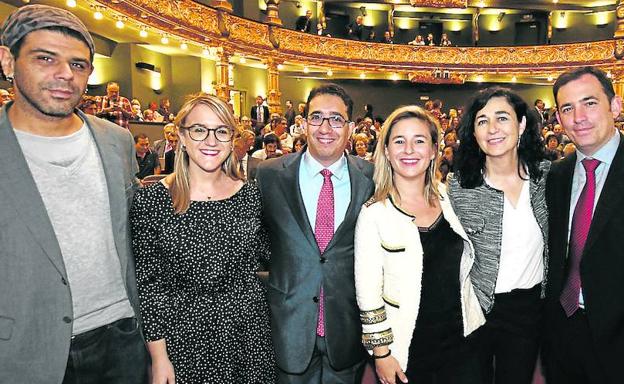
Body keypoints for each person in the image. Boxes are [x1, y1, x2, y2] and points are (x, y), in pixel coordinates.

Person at [0, 5, 148, 383]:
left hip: (123, 340)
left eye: (78, 65)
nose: (65, 74)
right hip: (26, 348)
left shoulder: (116, 141)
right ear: (8, 61)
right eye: (45, 58)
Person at [130, 93, 275, 383]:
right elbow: (149, 287)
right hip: (183, 340)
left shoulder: (251, 195)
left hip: (248, 336)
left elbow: (272, 255)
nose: (211, 141)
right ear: (181, 135)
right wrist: (158, 359)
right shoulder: (152, 201)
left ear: (232, 138)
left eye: (221, 131)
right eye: (199, 130)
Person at [355, 105, 484, 384]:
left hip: (464, 343)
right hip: (407, 350)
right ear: (387, 151)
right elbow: (368, 297)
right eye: (399, 141)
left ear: (434, 150)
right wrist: (382, 354)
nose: (409, 150)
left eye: (420, 140)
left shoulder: (451, 198)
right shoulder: (373, 214)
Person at [256, 84, 374, 382]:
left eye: (336, 119)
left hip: (347, 331)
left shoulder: (371, 178)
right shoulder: (269, 175)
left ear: (349, 128)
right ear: (304, 123)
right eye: (317, 117)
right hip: (287, 328)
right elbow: (256, 243)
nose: (325, 127)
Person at [447, 87, 549, 384]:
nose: (492, 129)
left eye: (502, 118)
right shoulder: (458, 186)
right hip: (473, 307)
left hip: (528, 310)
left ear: (522, 124)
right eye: (482, 121)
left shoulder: (548, 178)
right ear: (473, 133)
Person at [544, 66, 624, 384]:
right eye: (568, 108)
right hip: (561, 333)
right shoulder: (555, 176)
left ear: (614, 106)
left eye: (589, 103)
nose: (579, 117)